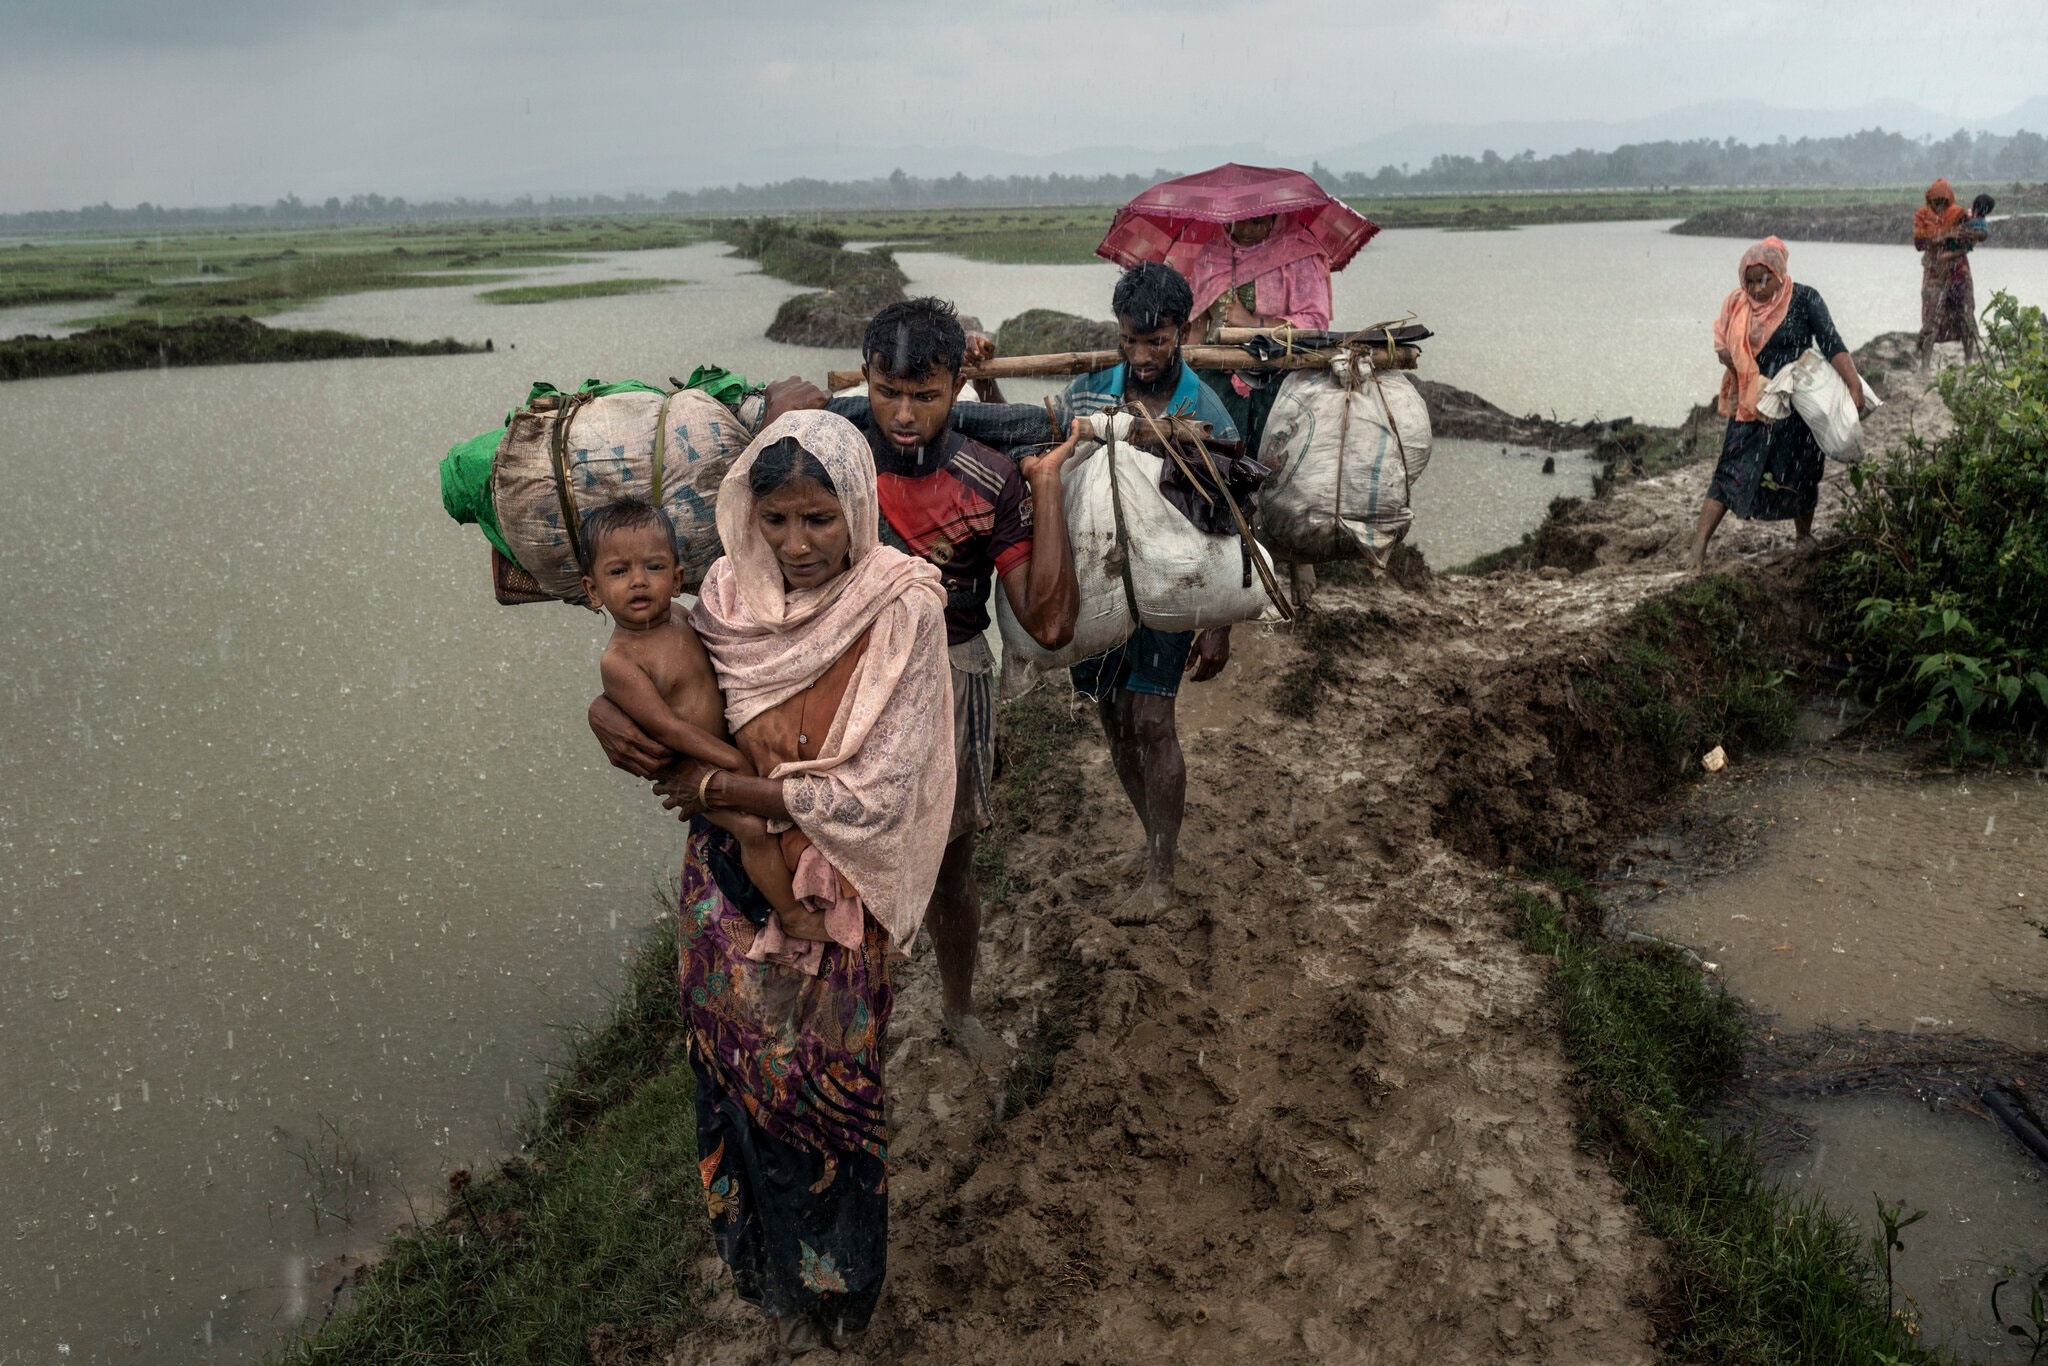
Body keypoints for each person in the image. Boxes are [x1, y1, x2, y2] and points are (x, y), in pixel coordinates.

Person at [635, 410, 956, 1350]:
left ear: (857, 504)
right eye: (775, 520)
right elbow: (661, 686)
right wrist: (614, 720)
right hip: (725, 883)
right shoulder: (724, 596)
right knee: (740, 1080)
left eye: (819, 518)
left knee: (828, 1093)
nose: (796, 543)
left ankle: (846, 1284)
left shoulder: (902, 606)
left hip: (833, 891)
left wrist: (729, 789)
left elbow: (880, 787)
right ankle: (769, 1273)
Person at [1059, 262, 1239, 923]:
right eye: (1129, 341)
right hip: (1099, 583)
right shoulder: (1087, 394)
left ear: (1182, 332)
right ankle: (1152, 835)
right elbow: (1043, 460)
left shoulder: (1205, 410)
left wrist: (1219, 622)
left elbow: (1228, 519)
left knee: (1153, 722)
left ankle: (1162, 875)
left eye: (1156, 342)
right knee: (1113, 717)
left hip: (1171, 585)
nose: (1140, 357)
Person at [579, 495, 800, 919]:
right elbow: (667, 728)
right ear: (593, 591)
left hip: (729, 749)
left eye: (654, 567)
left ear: (678, 578)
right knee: (753, 829)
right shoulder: (620, 660)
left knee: (775, 823)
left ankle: (786, 900)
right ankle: (791, 914)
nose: (638, 581)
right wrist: (731, 760)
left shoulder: (682, 617)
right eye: (619, 572)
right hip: (696, 765)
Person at [1687, 237, 1868, 570]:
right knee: (1731, 469)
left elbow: (1831, 342)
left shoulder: (1805, 299)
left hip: (1797, 403)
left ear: (1779, 273)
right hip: (1753, 402)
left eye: (1764, 280)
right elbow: (1724, 347)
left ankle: (1803, 536)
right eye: (1750, 281)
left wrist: (1853, 383)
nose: (1757, 289)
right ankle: (1697, 550)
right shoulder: (1737, 306)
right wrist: (1730, 357)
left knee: (1803, 469)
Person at [1188, 211, 1336, 458]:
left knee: (1271, 461)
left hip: (1279, 374)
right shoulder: (1213, 256)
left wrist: (1253, 323)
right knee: (1212, 459)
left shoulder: (1298, 254)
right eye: (1237, 222)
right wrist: (1184, 376)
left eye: (1256, 222)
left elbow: (1315, 325)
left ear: (1275, 219)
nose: (1245, 231)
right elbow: (1197, 328)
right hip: (1217, 375)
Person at [1915, 178, 1987, 369]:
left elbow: (1975, 234)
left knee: (1966, 315)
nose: (1939, 206)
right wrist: (1945, 236)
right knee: (1931, 318)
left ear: (1949, 201)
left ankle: (1969, 360)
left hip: (1958, 271)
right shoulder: (1922, 216)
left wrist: (1968, 238)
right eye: (1935, 202)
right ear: (1929, 200)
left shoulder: (1958, 215)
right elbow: (1920, 243)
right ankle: (1925, 366)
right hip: (1934, 272)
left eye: (1943, 202)